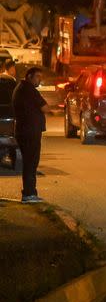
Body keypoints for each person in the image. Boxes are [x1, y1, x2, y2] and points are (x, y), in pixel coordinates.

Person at [12, 67, 48, 203]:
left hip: (26, 131)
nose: (39, 79)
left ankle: (29, 192)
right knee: (31, 163)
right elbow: (45, 107)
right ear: (29, 76)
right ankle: (28, 193)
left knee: (30, 163)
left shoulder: (22, 88)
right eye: (37, 76)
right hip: (29, 132)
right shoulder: (29, 90)